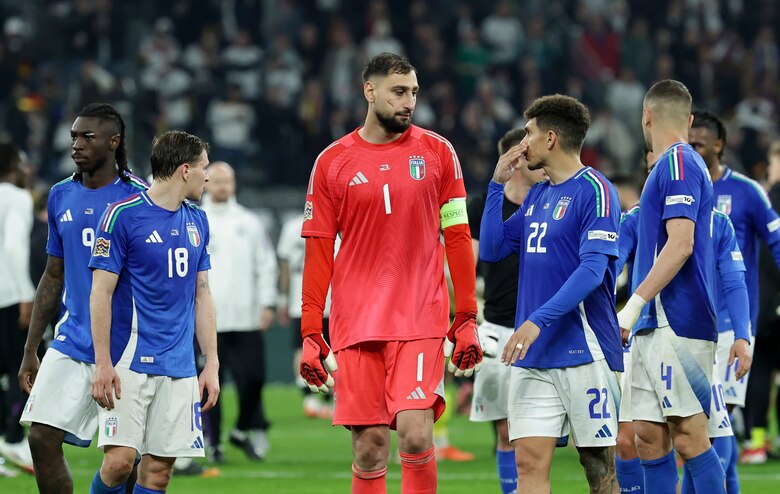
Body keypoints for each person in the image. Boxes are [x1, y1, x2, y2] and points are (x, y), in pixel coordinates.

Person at [299, 52, 481, 494]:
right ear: (370, 91)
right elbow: (319, 251)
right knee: (370, 448)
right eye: (399, 92)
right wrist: (310, 331)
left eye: (414, 92)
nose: (409, 102)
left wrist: (466, 317)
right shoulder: (332, 161)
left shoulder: (438, 152)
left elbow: (457, 236)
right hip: (356, 322)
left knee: (416, 435)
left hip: (420, 317)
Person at [480, 94, 623, 493]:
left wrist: (536, 320)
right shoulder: (539, 194)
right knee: (527, 464)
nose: (522, 142)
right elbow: (492, 248)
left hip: (585, 350)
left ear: (551, 138)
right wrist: (496, 184)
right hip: (534, 355)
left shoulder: (596, 190)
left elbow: (592, 270)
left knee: (598, 469)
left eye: (528, 133)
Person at [17, 104, 148, 492]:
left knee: (126, 459)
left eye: (88, 137)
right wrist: (31, 348)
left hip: (127, 344)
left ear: (114, 141)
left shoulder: (140, 198)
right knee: (41, 437)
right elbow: (53, 274)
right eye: (74, 136)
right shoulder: (60, 194)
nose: (76, 144)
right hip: (72, 338)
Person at [616, 80, 732, 493]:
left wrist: (632, 305)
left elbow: (681, 244)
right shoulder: (669, 166)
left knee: (688, 436)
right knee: (648, 438)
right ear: (688, 118)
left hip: (678, 321)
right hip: (652, 324)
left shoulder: (680, 163)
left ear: (646, 116)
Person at [88, 130, 219, 494]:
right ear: (185, 170)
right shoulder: (122, 216)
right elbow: (100, 293)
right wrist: (102, 362)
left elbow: (203, 295)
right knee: (119, 463)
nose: (208, 177)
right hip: (128, 360)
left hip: (178, 365)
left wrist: (211, 362)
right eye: (204, 167)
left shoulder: (198, 221)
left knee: (159, 472)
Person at [689, 111, 780, 468]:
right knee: (695, 418)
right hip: (688, 318)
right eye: (688, 143)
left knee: (719, 414)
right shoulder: (681, 189)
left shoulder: (747, 191)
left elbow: (776, 242)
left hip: (733, 319)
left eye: (699, 143)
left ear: (718, 145)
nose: (693, 149)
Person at [467, 127, 546, 493]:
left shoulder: (550, 200)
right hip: (498, 326)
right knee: (505, 429)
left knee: (535, 432)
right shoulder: (483, 206)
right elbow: (468, 263)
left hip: (541, 328)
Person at [200, 161, 277, 462]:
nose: (222, 186)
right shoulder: (197, 219)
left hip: (246, 317)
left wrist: (267, 302)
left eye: (227, 181)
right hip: (209, 321)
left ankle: (242, 430)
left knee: (255, 378)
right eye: (217, 180)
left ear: (234, 184)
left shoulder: (249, 221)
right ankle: (214, 443)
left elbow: (266, 264)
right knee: (210, 384)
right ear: (206, 183)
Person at [277, 213, 339, 419]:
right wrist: (283, 300)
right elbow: (285, 267)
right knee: (303, 349)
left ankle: (328, 398)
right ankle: (309, 397)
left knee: (332, 350)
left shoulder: (336, 222)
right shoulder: (292, 226)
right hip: (301, 299)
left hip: (332, 298)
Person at [0, 143, 35, 473]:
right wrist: (27, 293)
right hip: (9, 295)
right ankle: (13, 438)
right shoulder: (17, 197)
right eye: (23, 163)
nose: (28, 169)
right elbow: (13, 245)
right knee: (25, 367)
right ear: (12, 166)